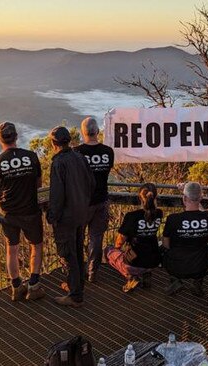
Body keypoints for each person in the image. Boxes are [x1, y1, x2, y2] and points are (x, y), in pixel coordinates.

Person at [0, 122, 46, 302]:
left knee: (11, 250)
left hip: (8, 213)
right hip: (30, 210)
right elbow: (38, 184)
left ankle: (16, 287)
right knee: (35, 246)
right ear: (16, 136)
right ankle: (34, 285)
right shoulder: (31, 157)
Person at [46, 126, 95, 307]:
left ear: (53, 143)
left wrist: (52, 216)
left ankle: (75, 295)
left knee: (68, 254)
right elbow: (91, 183)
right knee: (77, 251)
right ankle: (77, 287)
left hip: (66, 217)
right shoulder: (79, 157)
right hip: (81, 213)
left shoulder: (59, 163)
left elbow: (57, 195)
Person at [74, 117, 115, 283]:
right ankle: (93, 272)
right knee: (96, 238)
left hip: (82, 203)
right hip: (101, 200)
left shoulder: (76, 153)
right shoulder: (107, 152)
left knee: (78, 237)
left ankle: (78, 271)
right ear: (97, 132)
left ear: (83, 133)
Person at [106, 183, 162, 293]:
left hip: (134, 261)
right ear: (155, 197)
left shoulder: (132, 216)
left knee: (108, 251)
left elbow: (120, 240)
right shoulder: (159, 213)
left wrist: (116, 249)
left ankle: (131, 277)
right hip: (153, 259)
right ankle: (146, 274)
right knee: (142, 260)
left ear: (139, 197)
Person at [162, 182, 208, 296]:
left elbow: (166, 244)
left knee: (162, 247)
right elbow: (200, 212)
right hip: (199, 266)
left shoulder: (173, 219)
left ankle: (175, 280)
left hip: (176, 266)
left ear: (184, 198)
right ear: (201, 198)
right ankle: (197, 282)